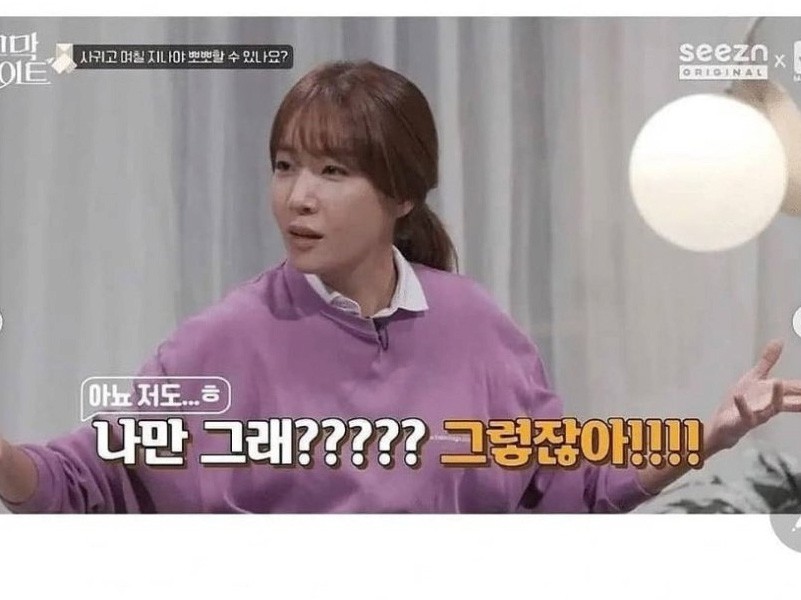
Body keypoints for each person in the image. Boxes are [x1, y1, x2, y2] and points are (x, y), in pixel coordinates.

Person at [1, 59, 799, 513]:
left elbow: (574, 485)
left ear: (403, 194)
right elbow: (88, 477)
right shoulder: (223, 340)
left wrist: (708, 436)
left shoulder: (472, 325)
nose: (297, 197)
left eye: (332, 172)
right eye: (284, 166)